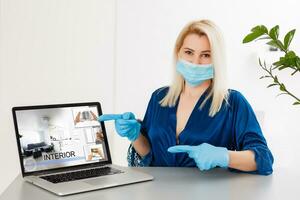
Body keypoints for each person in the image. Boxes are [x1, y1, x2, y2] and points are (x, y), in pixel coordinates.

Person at [99, 19, 274, 175]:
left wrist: (224, 156)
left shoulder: (233, 103)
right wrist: (135, 135)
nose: (195, 62)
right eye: (189, 52)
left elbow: (264, 158)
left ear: (216, 59)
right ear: (178, 53)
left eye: (206, 55)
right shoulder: (160, 98)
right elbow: (149, 156)